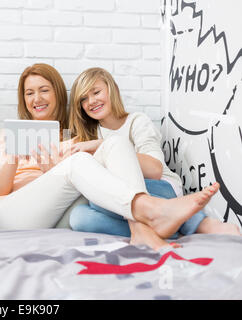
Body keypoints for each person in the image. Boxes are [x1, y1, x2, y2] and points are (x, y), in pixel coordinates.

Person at [0, 63, 220, 248]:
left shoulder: (74, 137)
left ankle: (140, 229)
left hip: (58, 216)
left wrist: (53, 169)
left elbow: (86, 189)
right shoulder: (9, 133)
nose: (36, 98)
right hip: (13, 214)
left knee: (114, 145)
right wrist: (14, 156)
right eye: (29, 93)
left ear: (57, 94)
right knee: (80, 162)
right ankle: (152, 210)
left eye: (44, 90)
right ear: (23, 99)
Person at [67, 67, 240, 246]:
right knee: (79, 217)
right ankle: (163, 229)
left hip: (161, 188)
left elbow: (155, 170)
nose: (91, 101)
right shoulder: (89, 135)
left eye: (96, 92)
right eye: (84, 99)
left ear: (113, 90)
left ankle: (201, 223)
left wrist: (102, 146)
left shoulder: (136, 122)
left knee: (101, 199)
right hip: (128, 200)